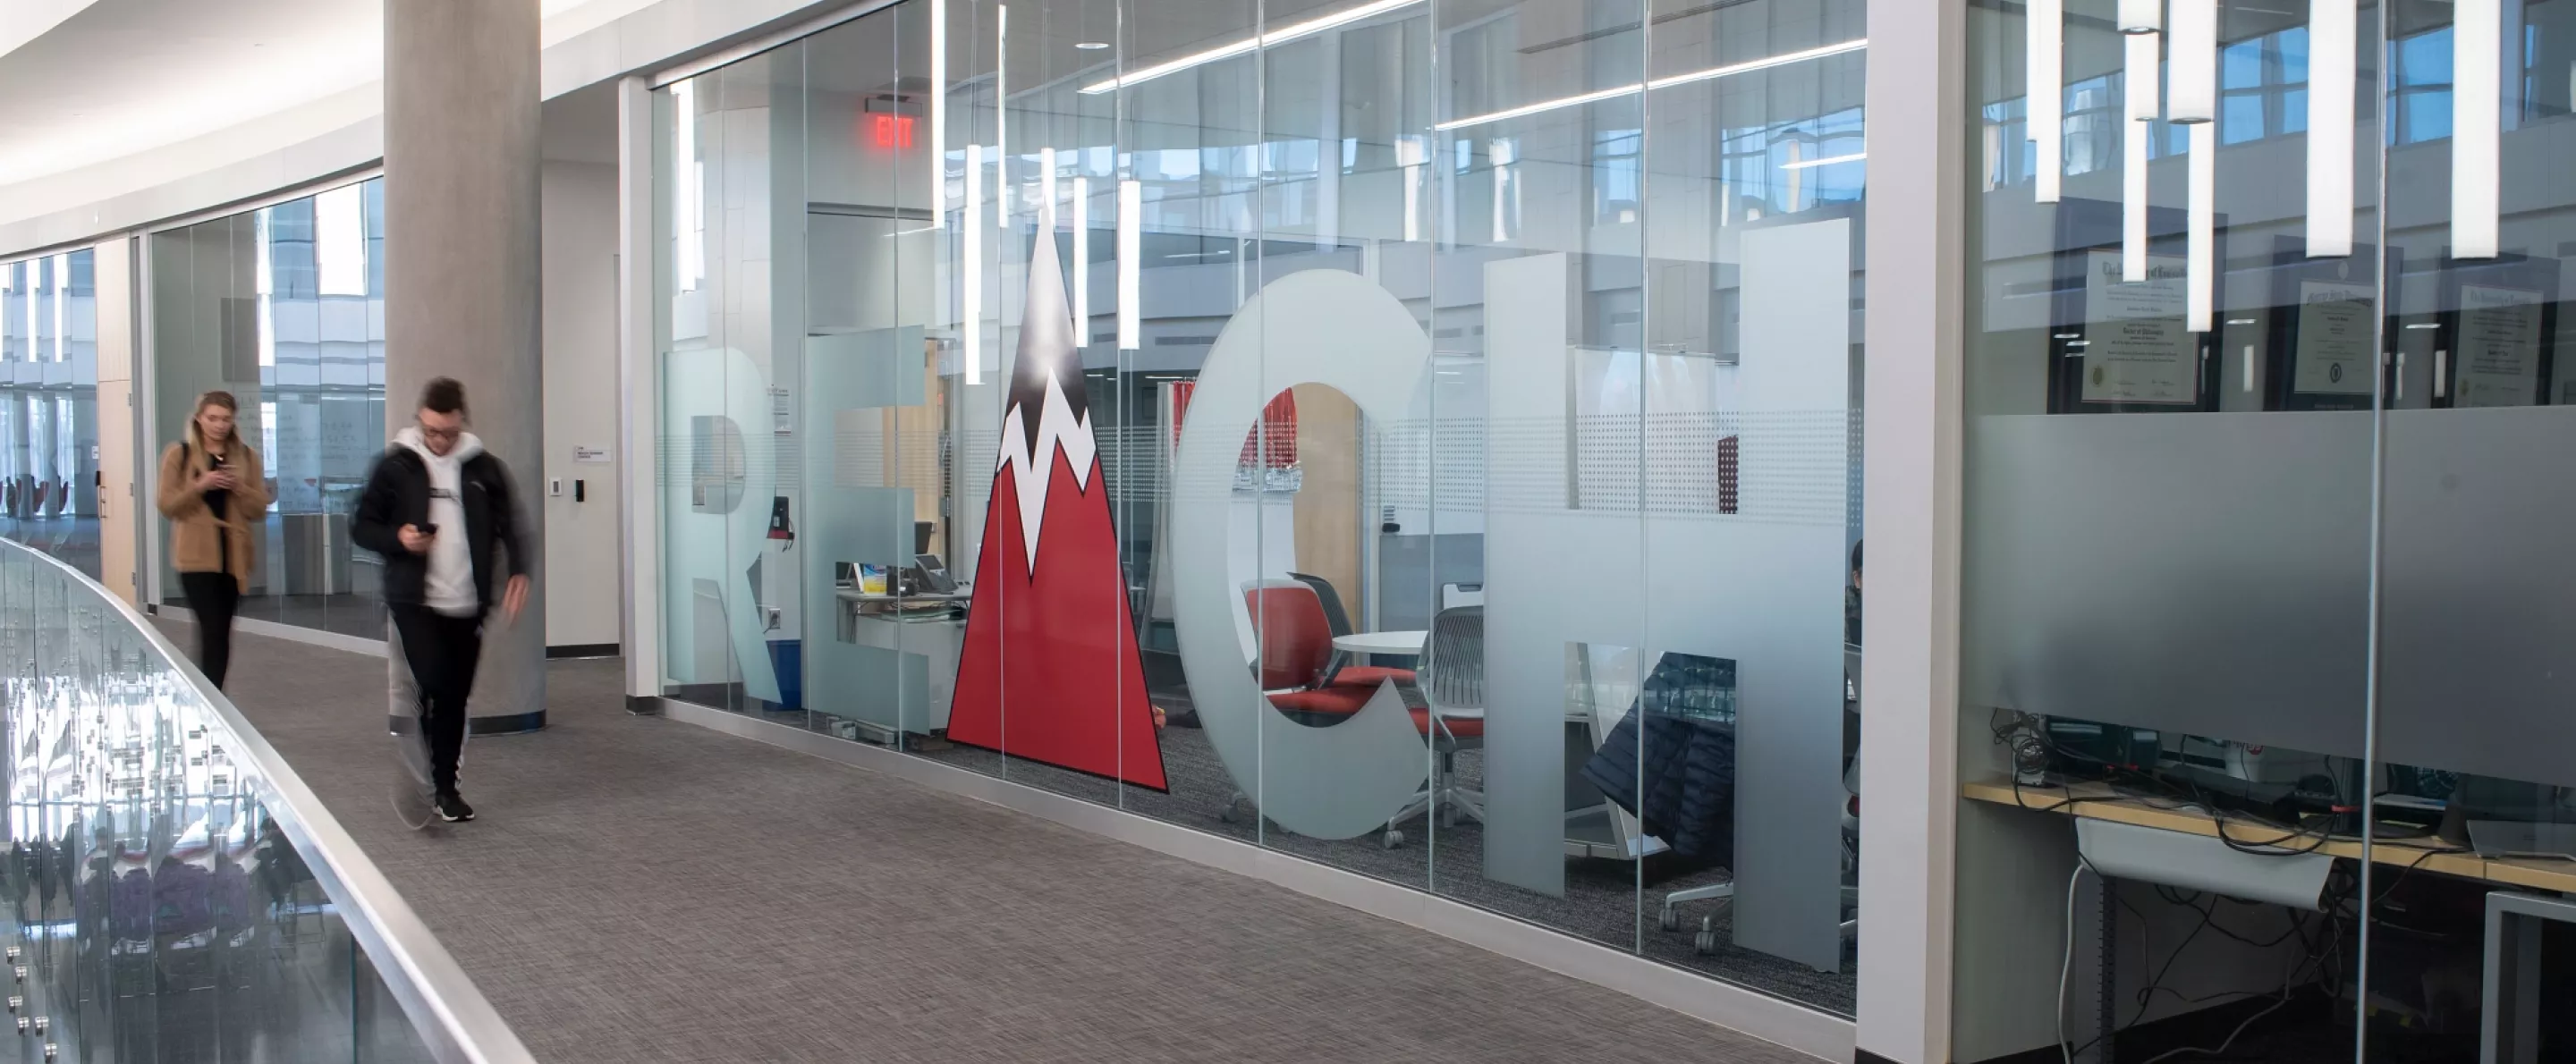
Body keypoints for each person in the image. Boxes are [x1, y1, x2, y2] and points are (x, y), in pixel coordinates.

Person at [352, 378, 530, 823]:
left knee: (454, 696)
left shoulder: (484, 468)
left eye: (449, 432)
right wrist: (399, 538)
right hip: (415, 601)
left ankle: (445, 790)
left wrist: (519, 570)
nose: (440, 441)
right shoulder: (396, 466)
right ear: (420, 421)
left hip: (468, 602)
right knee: (436, 683)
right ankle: (427, 775)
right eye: (432, 431)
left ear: (461, 423)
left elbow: (512, 526)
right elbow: (362, 526)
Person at [156, 392, 268, 689]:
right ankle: (211, 696)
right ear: (199, 419)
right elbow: (168, 505)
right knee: (212, 628)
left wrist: (239, 487)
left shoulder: (246, 456)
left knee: (222, 632)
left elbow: (259, 509)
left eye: (226, 419)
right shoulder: (179, 454)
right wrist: (200, 485)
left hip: (234, 559)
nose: (219, 425)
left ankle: (213, 695)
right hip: (196, 560)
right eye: (213, 418)